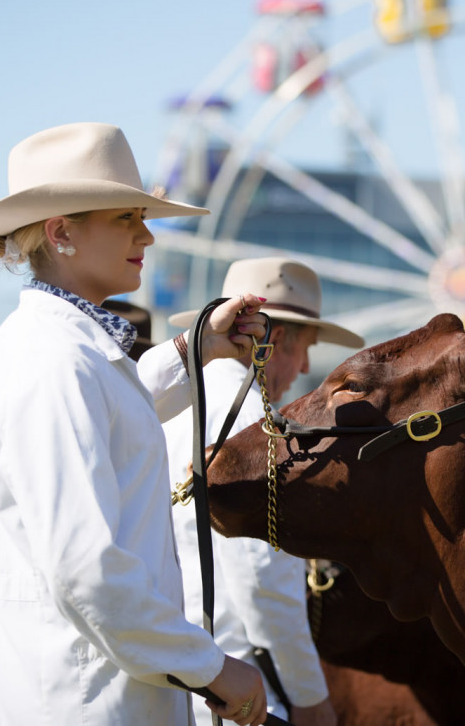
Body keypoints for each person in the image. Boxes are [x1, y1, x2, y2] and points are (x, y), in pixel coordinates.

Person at [0, 122, 271, 725]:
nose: (147, 234)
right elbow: (87, 569)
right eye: (126, 217)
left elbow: (112, 418)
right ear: (61, 231)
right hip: (86, 704)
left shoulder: (62, 350)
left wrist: (196, 350)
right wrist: (212, 667)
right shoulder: (53, 360)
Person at [150, 258, 364, 726]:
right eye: (306, 346)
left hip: (171, 677)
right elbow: (262, 579)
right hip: (237, 689)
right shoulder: (250, 416)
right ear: (277, 338)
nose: (306, 367)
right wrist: (310, 696)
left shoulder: (169, 402)